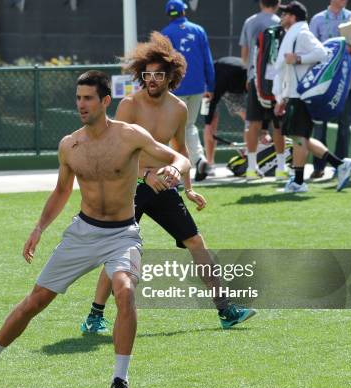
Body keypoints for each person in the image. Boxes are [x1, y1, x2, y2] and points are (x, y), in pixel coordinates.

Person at [0, 71, 190, 388]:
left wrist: (175, 168)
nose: (81, 104)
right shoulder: (70, 145)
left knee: (124, 291)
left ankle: (120, 380)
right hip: (83, 233)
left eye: (88, 98)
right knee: (35, 301)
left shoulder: (131, 135)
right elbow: (62, 190)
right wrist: (38, 228)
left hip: (122, 234)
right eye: (78, 98)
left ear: (105, 101)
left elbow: (178, 156)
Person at [79, 33, 256, 336]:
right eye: (147, 74)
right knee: (117, 250)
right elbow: (117, 152)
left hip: (163, 187)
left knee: (196, 242)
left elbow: (181, 151)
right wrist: (144, 174)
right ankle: (95, 316)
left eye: (159, 75)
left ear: (171, 76)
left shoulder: (179, 109)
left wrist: (188, 187)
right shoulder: (129, 106)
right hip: (129, 186)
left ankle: (226, 309)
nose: (152, 79)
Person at [273, 1, 351, 192]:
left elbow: (321, 52)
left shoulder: (301, 33)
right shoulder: (294, 32)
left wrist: (299, 58)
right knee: (302, 138)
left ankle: (299, 182)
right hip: (294, 94)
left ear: (293, 17)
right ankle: (340, 164)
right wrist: (282, 97)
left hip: (300, 95)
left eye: (285, 14)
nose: (282, 17)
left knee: (299, 138)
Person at [309, 0, 351, 178]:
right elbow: (310, 48)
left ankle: (341, 167)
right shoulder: (317, 19)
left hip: (349, 78)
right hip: (324, 81)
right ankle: (318, 167)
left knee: (345, 124)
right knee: (320, 124)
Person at [161, 0, 215, 181]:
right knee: (189, 125)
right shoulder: (198, 30)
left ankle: (174, 168)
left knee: (172, 129)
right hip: (198, 87)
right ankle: (199, 159)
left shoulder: (165, 34)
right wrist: (211, 86)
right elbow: (208, 60)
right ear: (184, 11)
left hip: (175, 88)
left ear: (169, 14)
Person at [240, 0, 288, 181]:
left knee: (253, 122)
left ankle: (251, 169)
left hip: (254, 79)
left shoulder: (250, 22)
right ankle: (281, 169)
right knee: (278, 124)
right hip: (277, 82)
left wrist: (251, 74)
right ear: (278, 3)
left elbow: (245, 55)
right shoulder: (281, 22)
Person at [203, 56, 248, 172]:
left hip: (235, 87)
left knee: (249, 119)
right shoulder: (221, 77)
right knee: (211, 122)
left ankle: (250, 152)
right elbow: (212, 100)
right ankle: (210, 163)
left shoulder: (252, 78)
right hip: (211, 87)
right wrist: (208, 123)